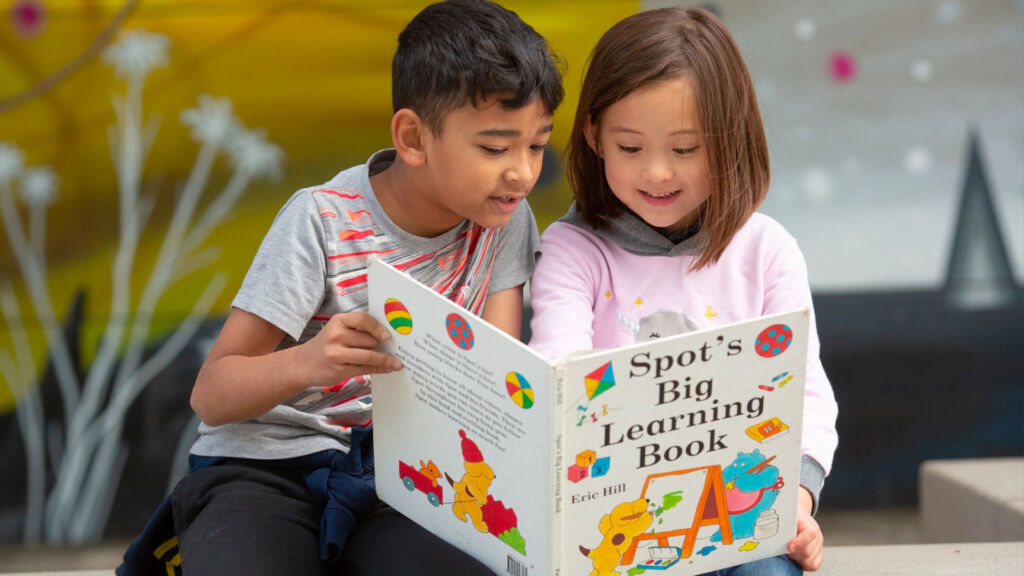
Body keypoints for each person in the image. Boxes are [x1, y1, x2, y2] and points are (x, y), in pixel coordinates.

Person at [118, 1, 563, 575]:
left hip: (406, 475)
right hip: (267, 469)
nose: (522, 174)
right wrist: (309, 362)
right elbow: (212, 393)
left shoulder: (505, 221)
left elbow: (494, 383)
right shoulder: (321, 221)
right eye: (496, 148)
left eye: (536, 145)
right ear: (413, 137)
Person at [528, 6, 837, 575]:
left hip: (739, 516)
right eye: (630, 148)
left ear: (730, 137)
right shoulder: (574, 250)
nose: (658, 173)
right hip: (614, 523)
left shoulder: (767, 250)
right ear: (593, 134)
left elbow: (806, 394)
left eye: (686, 149)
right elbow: (561, 374)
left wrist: (795, 499)